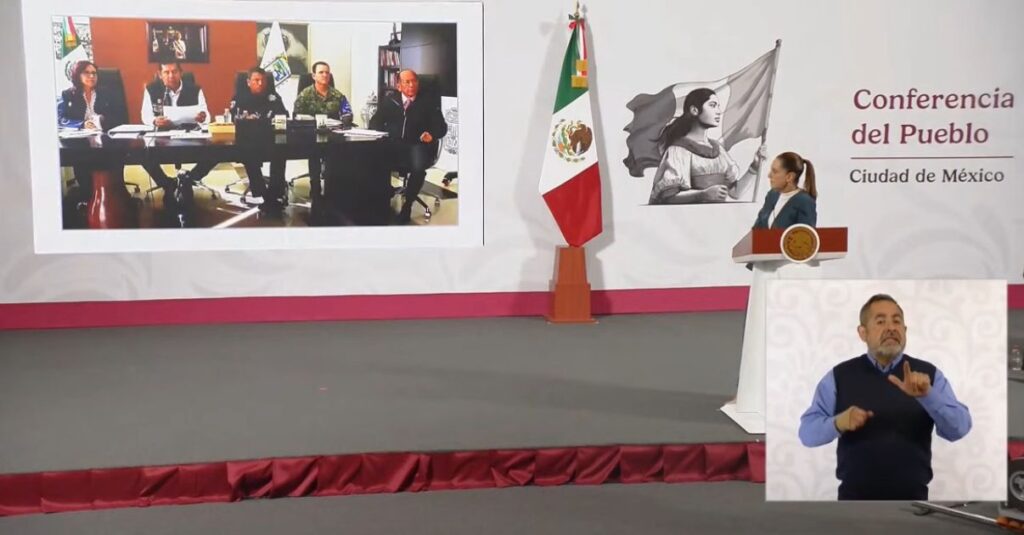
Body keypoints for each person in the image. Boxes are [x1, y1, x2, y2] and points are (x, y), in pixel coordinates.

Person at [798, 294, 972, 500]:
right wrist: (839, 422)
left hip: (912, 502)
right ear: (863, 333)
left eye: (897, 321)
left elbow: (959, 429)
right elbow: (807, 434)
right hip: (852, 503)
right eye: (880, 321)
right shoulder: (839, 376)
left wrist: (928, 396)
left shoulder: (929, 376)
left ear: (905, 330)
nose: (891, 328)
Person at [649, 88, 764, 204]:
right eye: (712, 105)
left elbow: (735, 193)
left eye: (718, 106)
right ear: (694, 110)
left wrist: (754, 167)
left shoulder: (718, 149)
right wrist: (703, 194)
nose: (718, 111)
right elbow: (669, 197)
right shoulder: (678, 150)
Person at [139, 62, 215, 221]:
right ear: (160, 74)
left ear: (181, 73)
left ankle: (188, 179)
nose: (170, 76)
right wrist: (154, 121)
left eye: (174, 72)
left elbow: (206, 114)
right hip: (162, 135)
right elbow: (145, 115)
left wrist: (203, 117)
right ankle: (168, 184)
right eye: (166, 72)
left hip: (190, 134)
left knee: (215, 152)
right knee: (143, 154)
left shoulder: (195, 89)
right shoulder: (152, 89)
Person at [369, 69, 447, 223]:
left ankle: (407, 206)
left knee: (418, 168)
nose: (412, 85)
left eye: (414, 81)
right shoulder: (390, 101)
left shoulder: (428, 103)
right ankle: (383, 195)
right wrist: (382, 133)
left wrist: (431, 134)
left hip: (417, 145)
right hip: (394, 145)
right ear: (399, 86)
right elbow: (375, 122)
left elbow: (441, 127)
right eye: (407, 82)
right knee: (374, 159)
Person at [57, 60, 126, 204]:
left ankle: (115, 196)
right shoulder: (68, 95)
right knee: (82, 162)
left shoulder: (107, 93)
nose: (91, 76)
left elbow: (120, 117)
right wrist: (81, 124)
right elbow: (61, 119)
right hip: (81, 143)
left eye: (94, 73)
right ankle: (90, 197)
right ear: (77, 75)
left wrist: (100, 120)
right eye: (87, 73)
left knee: (112, 163)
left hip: (107, 142)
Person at [230, 66, 289, 209]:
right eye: (256, 80)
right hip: (247, 139)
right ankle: (260, 192)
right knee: (248, 151)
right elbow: (233, 117)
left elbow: (284, 116)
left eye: (263, 80)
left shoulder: (273, 97)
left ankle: (276, 193)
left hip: (270, 138)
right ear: (248, 82)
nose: (260, 83)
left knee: (281, 151)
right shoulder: (239, 98)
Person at [293, 61, 353, 200]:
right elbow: (296, 115)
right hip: (311, 134)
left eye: (327, 73)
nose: (325, 75)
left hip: (332, 134)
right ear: (314, 76)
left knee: (337, 153)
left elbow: (347, 112)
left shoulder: (337, 95)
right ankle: (315, 186)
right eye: (321, 72)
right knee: (314, 151)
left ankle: (332, 187)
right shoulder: (305, 94)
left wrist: (346, 119)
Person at [752, 151, 817, 229]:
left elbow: (805, 234)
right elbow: (757, 228)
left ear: (789, 177)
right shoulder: (772, 195)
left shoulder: (805, 202)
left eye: (774, 171)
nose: (769, 175)